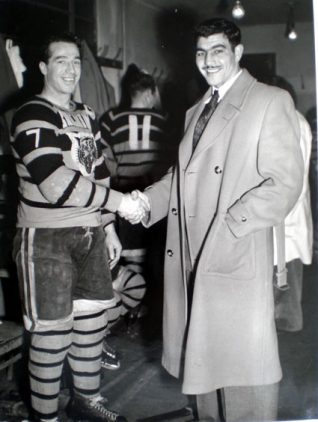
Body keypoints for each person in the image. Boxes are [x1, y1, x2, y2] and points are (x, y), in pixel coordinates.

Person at [127, 18, 304, 422]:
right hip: (194, 255)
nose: (208, 61)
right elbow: (181, 177)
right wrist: (144, 203)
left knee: (243, 377)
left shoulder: (267, 100)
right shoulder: (196, 110)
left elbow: (285, 183)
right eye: (201, 52)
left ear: (238, 53)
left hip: (235, 253)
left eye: (218, 51)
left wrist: (230, 225)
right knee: (207, 376)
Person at [10, 32, 145, 422]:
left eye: (75, 61)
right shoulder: (31, 114)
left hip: (90, 236)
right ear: (43, 67)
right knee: (52, 338)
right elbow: (54, 183)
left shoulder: (86, 116)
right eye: (60, 61)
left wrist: (109, 227)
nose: (71, 69)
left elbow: (100, 172)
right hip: (45, 240)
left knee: (90, 330)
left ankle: (86, 402)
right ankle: (46, 417)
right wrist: (122, 205)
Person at [99, 66, 168, 368]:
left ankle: (123, 321)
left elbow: (105, 165)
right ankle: (146, 324)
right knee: (151, 265)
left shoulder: (111, 119)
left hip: (122, 201)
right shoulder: (163, 121)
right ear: (151, 91)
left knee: (123, 264)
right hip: (152, 202)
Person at [267, 76, 313, 332]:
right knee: (288, 297)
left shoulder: (284, 122)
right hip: (290, 221)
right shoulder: (300, 121)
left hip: (282, 222)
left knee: (280, 302)